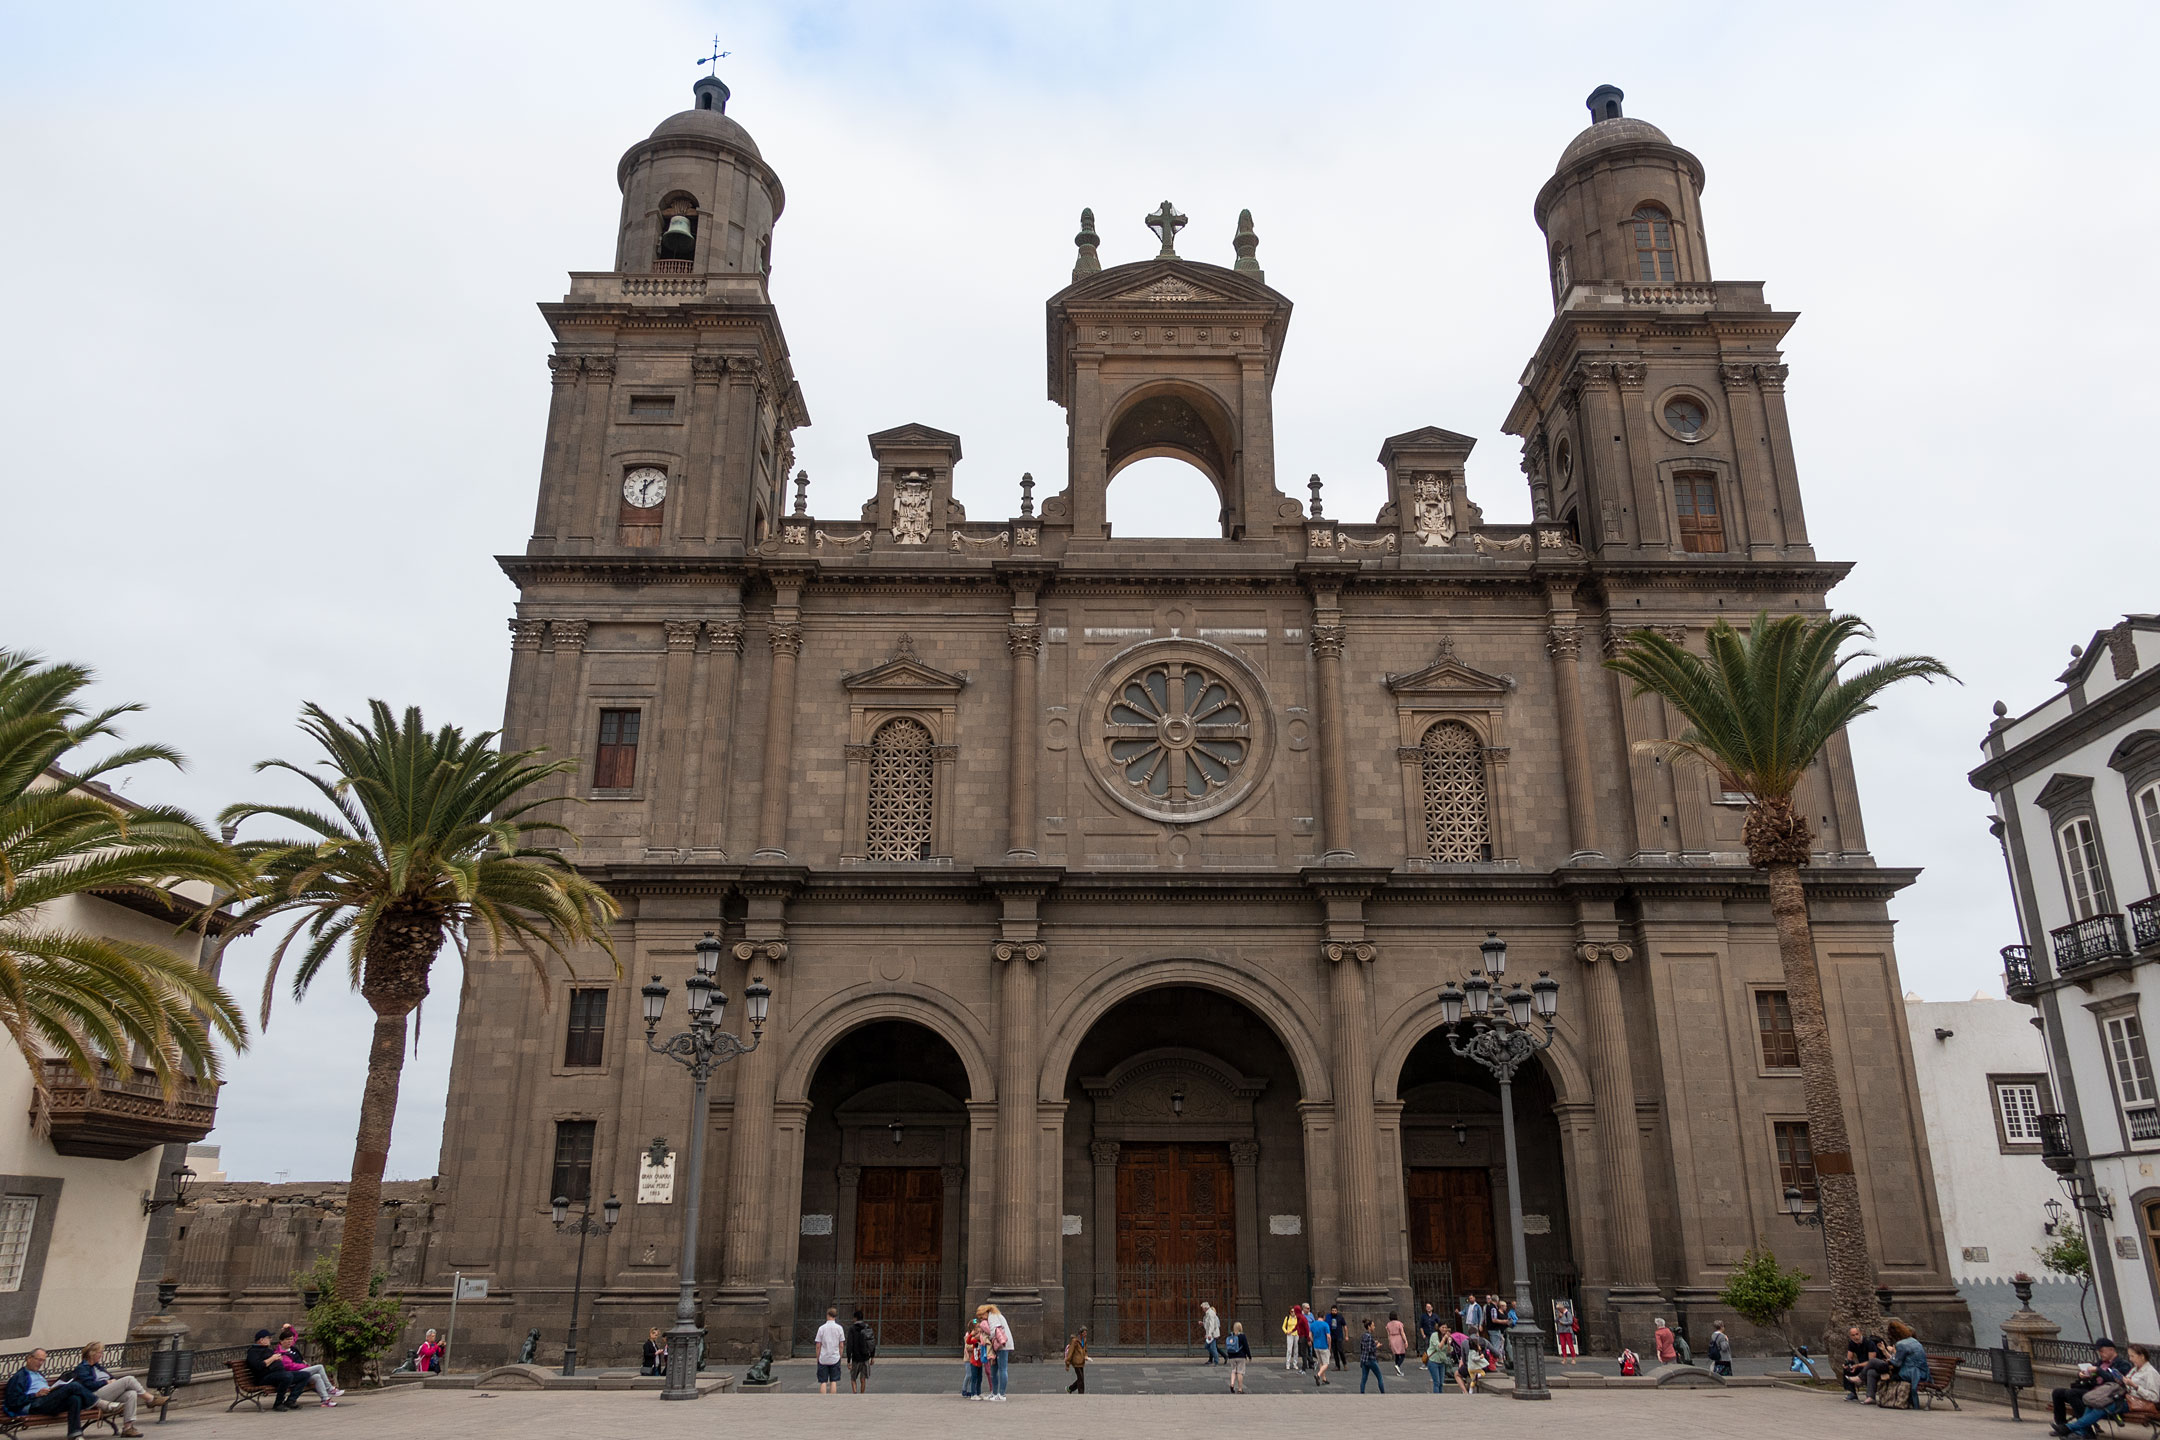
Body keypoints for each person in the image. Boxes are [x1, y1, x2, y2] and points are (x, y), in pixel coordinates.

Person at [2065, 1342, 2157, 1435]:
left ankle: (2069, 1427)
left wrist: (2135, 1386)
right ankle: (2081, 1432)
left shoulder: (2150, 1373)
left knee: (2103, 1408)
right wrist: (2120, 1380)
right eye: (2129, 1356)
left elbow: (2154, 1397)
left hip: (2136, 1402)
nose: (2130, 1359)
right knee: (2093, 1404)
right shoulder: (2134, 1369)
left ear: (2142, 1356)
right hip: (2124, 1397)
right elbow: (2126, 1385)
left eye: (2133, 1356)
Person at [3, 1350, 98, 1439]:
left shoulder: (38, 1375)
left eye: (43, 1361)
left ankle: (75, 1434)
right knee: (74, 1386)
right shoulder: (19, 1377)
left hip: (46, 1402)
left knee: (74, 1398)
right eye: (39, 1359)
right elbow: (13, 1401)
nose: (40, 1363)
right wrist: (35, 1395)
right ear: (29, 1358)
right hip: (34, 1405)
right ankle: (98, 1402)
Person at [74, 1341, 152, 1436]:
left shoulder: (98, 1367)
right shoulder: (82, 1368)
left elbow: (111, 1377)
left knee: (131, 1393)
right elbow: (89, 1384)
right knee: (129, 1379)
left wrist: (112, 1381)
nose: (102, 1355)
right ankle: (150, 1399)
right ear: (92, 1354)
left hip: (107, 1393)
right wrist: (106, 1382)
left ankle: (128, 1428)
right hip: (94, 1396)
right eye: (100, 1352)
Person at [2055, 1339, 2126, 1432]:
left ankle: (2086, 1430)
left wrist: (2098, 1370)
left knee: (2072, 1394)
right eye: (2099, 1351)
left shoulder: (2122, 1364)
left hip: (2106, 1394)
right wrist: (2082, 1375)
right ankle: (2061, 1425)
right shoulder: (2100, 1363)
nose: (2100, 1354)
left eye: (2102, 1351)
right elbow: (2092, 1374)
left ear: (2111, 1350)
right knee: (2057, 1392)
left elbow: (2117, 1381)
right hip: (2092, 1390)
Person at [270, 1329, 340, 1408]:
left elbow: (295, 1336)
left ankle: (325, 1400)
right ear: (281, 1341)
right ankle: (330, 1389)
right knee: (319, 1367)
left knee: (317, 1376)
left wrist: (290, 1327)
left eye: (291, 1340)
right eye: (287, 1340)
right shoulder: (279, 1353)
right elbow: (290, 1366)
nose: (290, 1341)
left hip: (301, 1372)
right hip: (293, 1373)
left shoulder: (291, 1348)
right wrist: (305, 1366)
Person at [1887, 1319, 1929, 1410]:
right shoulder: (1914, 1341)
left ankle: (1893, 1399)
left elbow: (1897, 1363)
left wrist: (1889, 1360)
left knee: (1889, 1374)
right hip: (1923, 1372)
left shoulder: (1901, 1344)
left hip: (1911, 1373)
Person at [1841, 1325, 1885, 1402]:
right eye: (1853, 1335)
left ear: (1860, 1333)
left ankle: (1869, 1393)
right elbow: (1849, 1357)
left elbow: (1871, 1361)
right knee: (1848, 1368)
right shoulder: (1852, 1343)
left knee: (1869, 1371)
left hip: (1874, 1366)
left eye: (1857, 1334)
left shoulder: (1869, 1343)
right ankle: (1852, 1393)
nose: (1855, 1337)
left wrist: (1857, 1365)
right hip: (1862, 1365)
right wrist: (1847, 1364)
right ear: (1850, 1336)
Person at [984, 1304, 1014, 1402]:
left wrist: (986, 1336)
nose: (981, 1319)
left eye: (981, 1316)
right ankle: (995, 1393)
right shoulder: (997, 1315)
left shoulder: (992, 1316)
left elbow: (993, 1331)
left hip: (1002, 1345)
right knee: (995, 1369)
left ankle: (1001, 1394)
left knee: (1002, 1369)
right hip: (1001, 1345)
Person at [845, 1309, 877, 1393]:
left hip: (855, 1358)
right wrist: (872, 1356)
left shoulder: (852, 1329)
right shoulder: (867, 1327)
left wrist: (849, 1360)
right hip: (865, 1357)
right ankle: (862, 1394)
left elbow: (849, 1345)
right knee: (863, 1378)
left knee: (853, 1378)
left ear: (855, 1318)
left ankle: (855, 1393)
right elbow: (872, 1342)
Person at [961, 1315, 987, 1400]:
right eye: (977, 1328)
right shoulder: (971, 1338)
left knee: (979, 1377)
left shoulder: (980, 1338)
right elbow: (967, 1344)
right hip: (970, 1360)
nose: (979, 1329)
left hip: (978, 1361)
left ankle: (978, 1392)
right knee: (971, 1375)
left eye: (979, 1327)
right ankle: (967, 1391)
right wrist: (973, 1339)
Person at [1358, 1318, 1386, 1393]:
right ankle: (1383, 1393)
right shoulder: (1369, 1336)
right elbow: (1370, 1349)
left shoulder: (1364, 1335)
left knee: (1364, 1378)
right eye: (1373, 1325)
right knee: (1379, 1377)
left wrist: (1374, 1342)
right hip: (1371, 1360)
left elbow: (1364, 1347)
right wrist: (1377, 1346)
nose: (1374, 1327)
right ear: (1369, 1327)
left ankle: (1362, 1392)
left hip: (1364, 1360)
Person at [1423, 1321, 1451, 1393]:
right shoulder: (1434, 1335)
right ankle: (1436, 1398)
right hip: (1433, 1361)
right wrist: (1444, 1338)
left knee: (1441, 1383)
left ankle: (1441, 1397)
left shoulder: (1447, 1337)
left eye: (1445, 1328)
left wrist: (1448, 1343)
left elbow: (1449, 1351)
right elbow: (1438, 1348)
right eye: (1442, 1327)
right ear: (1439, 1328)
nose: (1444, 1329)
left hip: (1442, 1361)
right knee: (1437, 1382)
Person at [1224, 1321, 1251, 1393]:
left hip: (1232, 1356)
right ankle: (1240, 1389)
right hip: (1241, 1356)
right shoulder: (1242, 1336)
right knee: (1240, 1372)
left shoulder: (1230, 1335)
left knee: (1233, 1371)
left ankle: (1232, 1384)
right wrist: (1249, 1356)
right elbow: (1246, 1347)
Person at [1309, 1308, 1332, 1386]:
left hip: (1316, 1346)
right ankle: (1318, 1375)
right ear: (1324, 1316)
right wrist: (1329, 1345)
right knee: (1326, 1363)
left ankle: (1324, 1379)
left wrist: (1313, 1341)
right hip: (1324, 1346)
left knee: (1321, 1363)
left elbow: (1310, 1335)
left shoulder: (1313, 1324)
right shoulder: (1325, 1325)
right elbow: (1328, 1336)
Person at [1064, 1327, 1088, 1394]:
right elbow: (1070, 1352)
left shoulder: (1084, 1340)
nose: (1086, 1334)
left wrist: (1086, 1356)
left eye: (1086, 1333)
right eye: (1084, 1333)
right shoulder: (1075, 1341)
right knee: (1081, 1379)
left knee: (1081, 1379)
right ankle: (1081, 1393)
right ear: (1081, 1333)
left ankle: (1070, 1388)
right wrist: (1067, 1364)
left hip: (1082, 1362)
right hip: (1076, 1362)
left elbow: (1085, 1350)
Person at [1384, 1311, 1408, 1377]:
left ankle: (1398, 1370)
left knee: (1396, 1354)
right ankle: (1398, 1365)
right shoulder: (1399, 1323)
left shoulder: (1388, 1324)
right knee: (1402, 1354)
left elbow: (1388, 1334)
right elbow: (1402, 1333)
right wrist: (1405, 1341)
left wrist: (1389, 1342)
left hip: (1392, 1338)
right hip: (1398, 1338)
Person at [1201, 1300, 1222, 1365]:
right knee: (1208, 1346)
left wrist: (1209, 1334)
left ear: (1205, 1308)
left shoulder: (1211, 1313)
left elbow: (1212, 1325)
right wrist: (1203, 1323)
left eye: (1202, 1308)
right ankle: (1216, 1358)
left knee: (1212, 1347)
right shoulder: (1208, 1313)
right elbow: (1208, 1324)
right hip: (1210, 1333)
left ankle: (1216, 1360)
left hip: (1213, 1334)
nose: (1202, 1310)